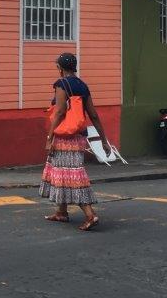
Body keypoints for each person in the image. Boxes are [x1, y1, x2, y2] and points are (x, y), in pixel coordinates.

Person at [39, 52, 111, 231]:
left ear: (61, 68)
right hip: (78, 137)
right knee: (63, 173)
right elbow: (93, 115)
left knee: (72, 176)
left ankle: (90, 214)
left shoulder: (61, 84)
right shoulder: (82, 86)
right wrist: (103, 140)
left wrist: (50, 136)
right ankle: (61, 212)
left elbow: (60, 111)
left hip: (64, 138)